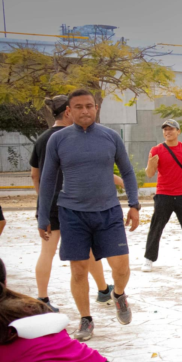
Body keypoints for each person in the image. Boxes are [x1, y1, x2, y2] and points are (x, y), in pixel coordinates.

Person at [37, 89, 141, 341]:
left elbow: (127, 172)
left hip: (108, 212)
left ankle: (118, 295)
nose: (85, 111)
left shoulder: (110, 137)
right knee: (79, 270)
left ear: (96, 108)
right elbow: (48, 179)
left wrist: (134, 204)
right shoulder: (58, 140)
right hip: (72, 214)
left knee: (121, 267)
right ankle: (86, 319)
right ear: (69, 111)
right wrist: (43, 216)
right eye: (79, 107)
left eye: (89, 106)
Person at [29, 95, 123, 319]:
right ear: (69, 111)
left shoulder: (43, 139)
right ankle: (102, 290)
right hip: (78, 204)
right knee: (89, 252)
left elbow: (35, 175)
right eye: (78, 107)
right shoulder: (72, 138)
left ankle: (42, 298)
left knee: (47, 253)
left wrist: (43, 201)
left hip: (52, 203)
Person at [142, 119, 182, 272]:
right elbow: (149, 174)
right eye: (165, 129)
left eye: (171, 129)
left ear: (178, 131)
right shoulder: (156, 150)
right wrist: (151, 164)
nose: (168, 132)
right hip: (164, 194)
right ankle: (148, 259)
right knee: (156, 227)